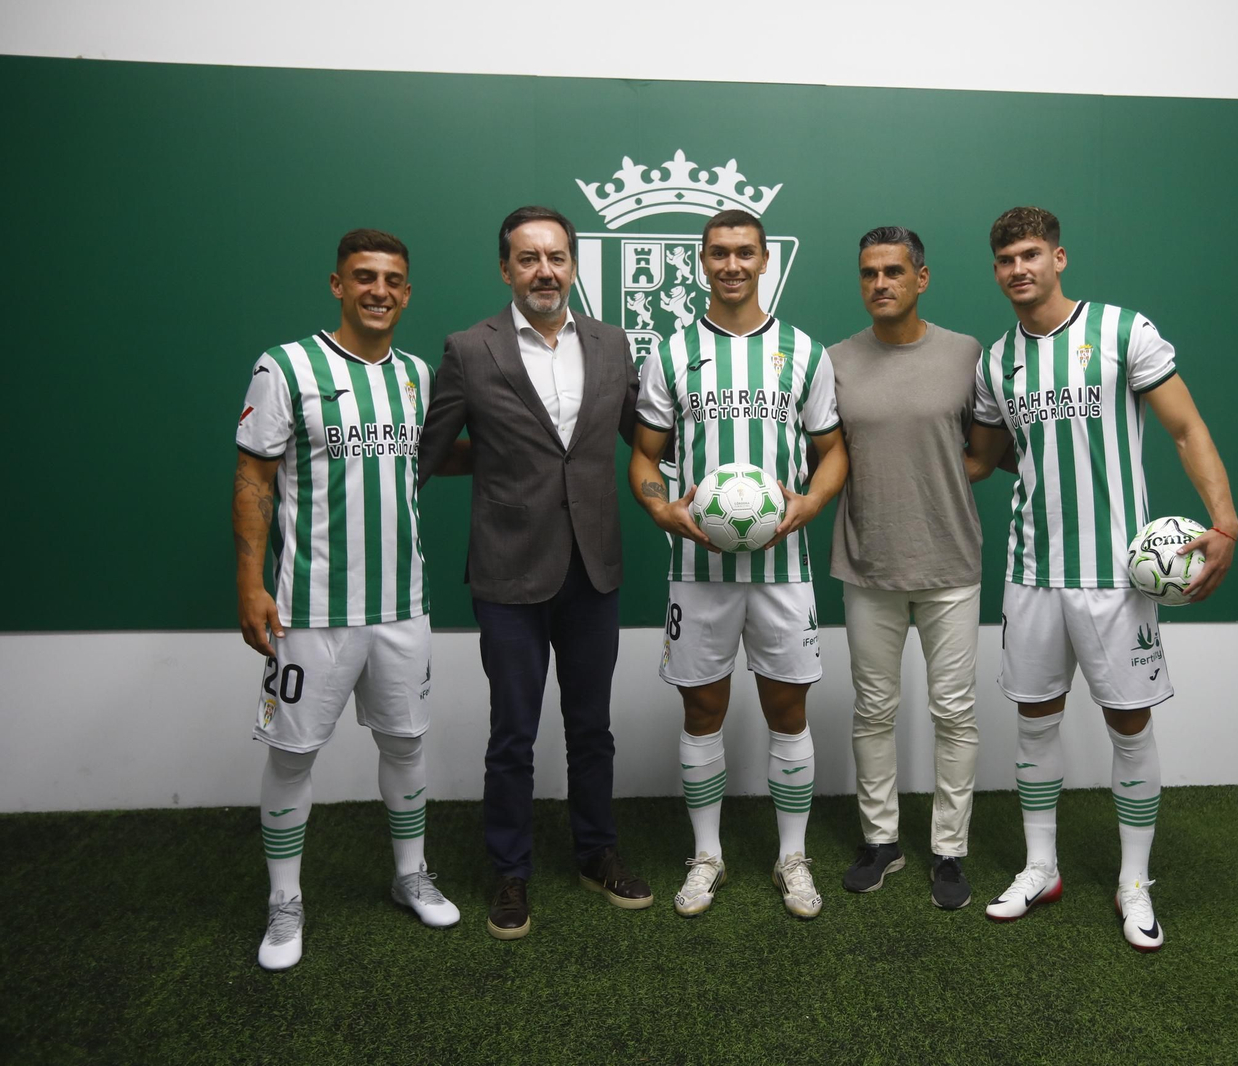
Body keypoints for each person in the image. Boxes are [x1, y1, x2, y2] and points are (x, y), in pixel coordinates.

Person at [965, 206, 1238, 951]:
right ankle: (1041, 866)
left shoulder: (1123, 331)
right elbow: (986, 459)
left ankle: (1133, 882)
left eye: (1030, 255)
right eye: (1004, 260)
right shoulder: (995, 362)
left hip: (1120, 576)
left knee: (1129, 722)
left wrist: (1224, 521)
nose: (1018, 269)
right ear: (995, 272)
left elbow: (1186, 429)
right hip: (1032, 570)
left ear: (1059, 258)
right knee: (1035, 721)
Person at [416, 205, 652, 941]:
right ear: (505, 269)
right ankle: (510, 872)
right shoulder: (468, 349)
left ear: (574, 264)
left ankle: (595, 853)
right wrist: (500, 462)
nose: (544, 270)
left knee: (592, 728)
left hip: (594, 567)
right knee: (512, 733)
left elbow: (645, 439)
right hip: (508, 571)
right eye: (528, 258)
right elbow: (429, 450)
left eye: (556, 257)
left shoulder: (613, 345)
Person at [234, 228, 461, 971]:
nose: (379, 291)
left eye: (393, 280)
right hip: (310, 608)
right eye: (364, 277)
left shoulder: (418, 377)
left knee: (405, 743)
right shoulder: (287, 366)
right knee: (293, 754)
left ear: (406, 292)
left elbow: (434, 458)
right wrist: (250, 583)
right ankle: (284, 901)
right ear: (337, 284)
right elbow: (254, 479)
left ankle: (409, 876)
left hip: (403, 605)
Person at [628, 209, 848, 920]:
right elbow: (644, 457)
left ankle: (792, 856)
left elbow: (833, 449)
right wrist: (663, 510)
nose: (731, 265)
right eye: (718, 254)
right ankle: (708, 856)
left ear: (763, 262)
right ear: (701, 262)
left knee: (788, 709)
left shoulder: (804, 353)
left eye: (744, 253)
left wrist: (812, 503)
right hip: (699, 572)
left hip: (784, 570)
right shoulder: (670, 353)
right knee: (703, 708)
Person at [829, 227, 984, 910]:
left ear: (922, 277)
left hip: (951, 563)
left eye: (894, 271)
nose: (881, 283)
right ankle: (882, 841)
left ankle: (949, 851)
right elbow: (826, 456)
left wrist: (935, 488)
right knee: (873, 710)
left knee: (954, 712)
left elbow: (982, 452)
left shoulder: (966, 354)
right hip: (868, 563)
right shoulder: (833, 361)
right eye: (869, 273)